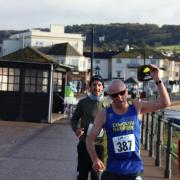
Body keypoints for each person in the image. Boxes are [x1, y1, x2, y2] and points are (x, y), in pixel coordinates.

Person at [86, 64, 171, 180]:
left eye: (121, 93)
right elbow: (89, 139)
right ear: (110, 96)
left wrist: (157, 79)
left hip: (134, 170)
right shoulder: (104, 113)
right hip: (112, 170)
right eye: (115, 95)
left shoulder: (137, 107)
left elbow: (165, 103)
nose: (119, 97)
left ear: (126, 91)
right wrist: (95, 159)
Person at [71, 75, 108, 180]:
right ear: (90, 87)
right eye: (94, 85)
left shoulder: (107, 102)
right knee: (82, 174)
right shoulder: (83, 103)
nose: (97, 88)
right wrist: (76, 129)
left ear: (103, 87)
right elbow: (74, 119)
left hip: (100, 145)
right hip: (84, 143)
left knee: (96, 175)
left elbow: (114, 119)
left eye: (99, 85)